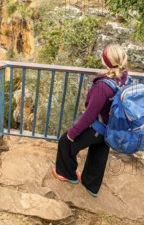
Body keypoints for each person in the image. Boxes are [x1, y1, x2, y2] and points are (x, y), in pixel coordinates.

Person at [53, 44, 128, 197]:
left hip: (98, 128)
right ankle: (91, 185)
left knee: (65, 142)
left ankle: (67, 174)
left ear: (107, 62)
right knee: (99, 152)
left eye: (104, 55)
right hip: (112, 128)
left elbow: (89, 116)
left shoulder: (102, 86)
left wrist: (72, 133)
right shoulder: (125, 78)